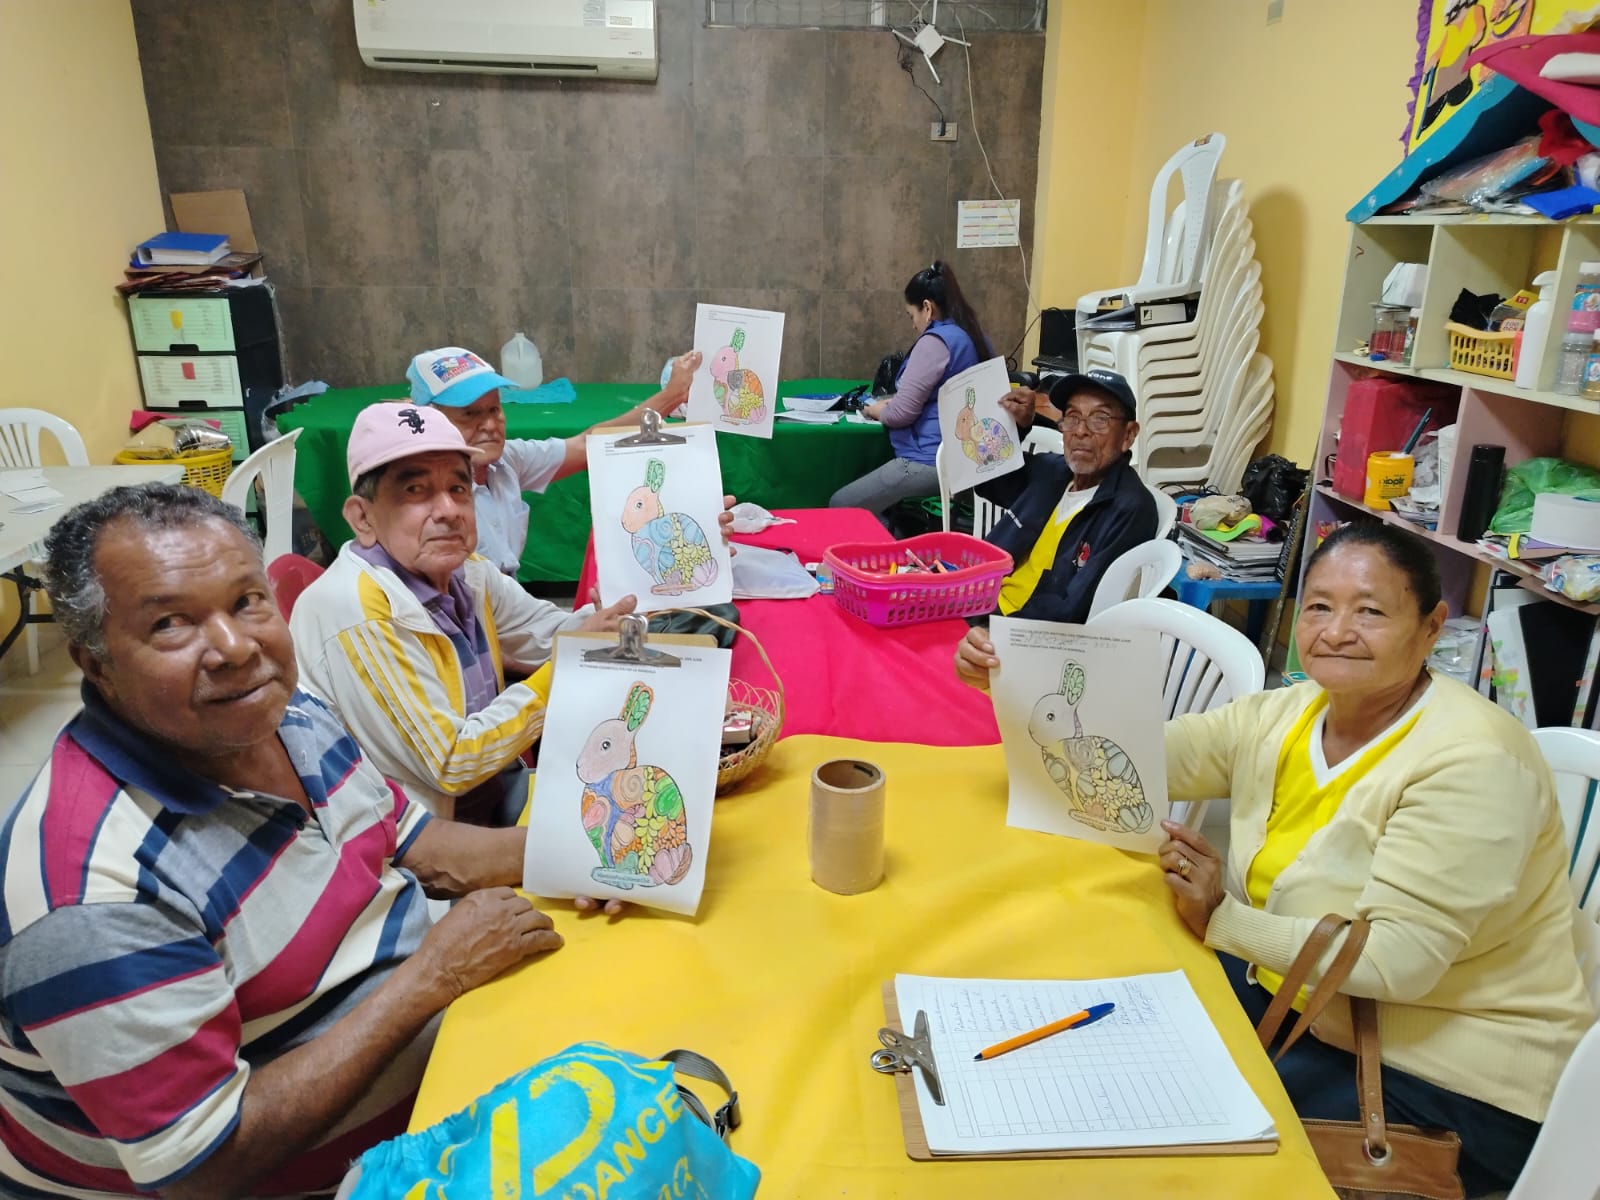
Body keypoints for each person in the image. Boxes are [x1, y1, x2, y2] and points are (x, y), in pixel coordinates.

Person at [0, 482, 570, 1198]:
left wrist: (599, 857)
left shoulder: (284, 712)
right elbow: (206, 1166)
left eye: (247, 601)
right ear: (95, 662)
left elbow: (413, 841)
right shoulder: (89, 897)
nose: (236, 648)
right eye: (171, 623)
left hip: (442, 1054)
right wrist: (433, 979)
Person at [1156, 523, 1593, 1194]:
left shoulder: (1473, 760)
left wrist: (1221, 919)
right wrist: (1022, 687)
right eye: (1319, 606)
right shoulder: (1293, 711)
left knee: (1187, 1134)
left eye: (1370, 611)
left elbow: (1395, 961)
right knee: (1141, 1032)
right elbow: (1145, 754)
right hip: (1311, 1009)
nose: (1336, 632)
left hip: (1450, 1077)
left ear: (1431, 626)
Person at [289, 401, 641, 825]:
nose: (448, 510)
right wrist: (568, 665)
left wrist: (626, 601)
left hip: (493, 791)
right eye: (414, 491)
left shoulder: (467, 573)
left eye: (458, 488)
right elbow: (452, 763)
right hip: (422, 841)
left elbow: (547, 632)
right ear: (362, 518)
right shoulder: (360, 612)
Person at [407, 345, 703, 576]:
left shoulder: (507, 460)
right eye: (470, 414)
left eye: (494, 410)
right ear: (429, 419)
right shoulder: (426, 503)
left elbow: (589, 444)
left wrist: (672, 396)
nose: (489, 425)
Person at [952, 369, 1158, 688]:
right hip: (975, 603)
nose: (1081, 431)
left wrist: (994, 638)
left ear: (1129, 435)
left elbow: (1071, 612)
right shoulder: (1053, 472)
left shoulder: (1130, 509)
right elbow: (989, 480)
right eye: (1072, 417)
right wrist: (1018, 428)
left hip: (1016, 645)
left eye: (1100, 419)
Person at [829, 261, 991, 530]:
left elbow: (901, 414)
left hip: (927, 461)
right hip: (967, 458)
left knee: (841, 505)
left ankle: (892, 547)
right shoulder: (974, 336)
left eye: (911, 315)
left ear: (927, 308)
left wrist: (875, 409)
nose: (914, 325)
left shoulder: (935, 343)